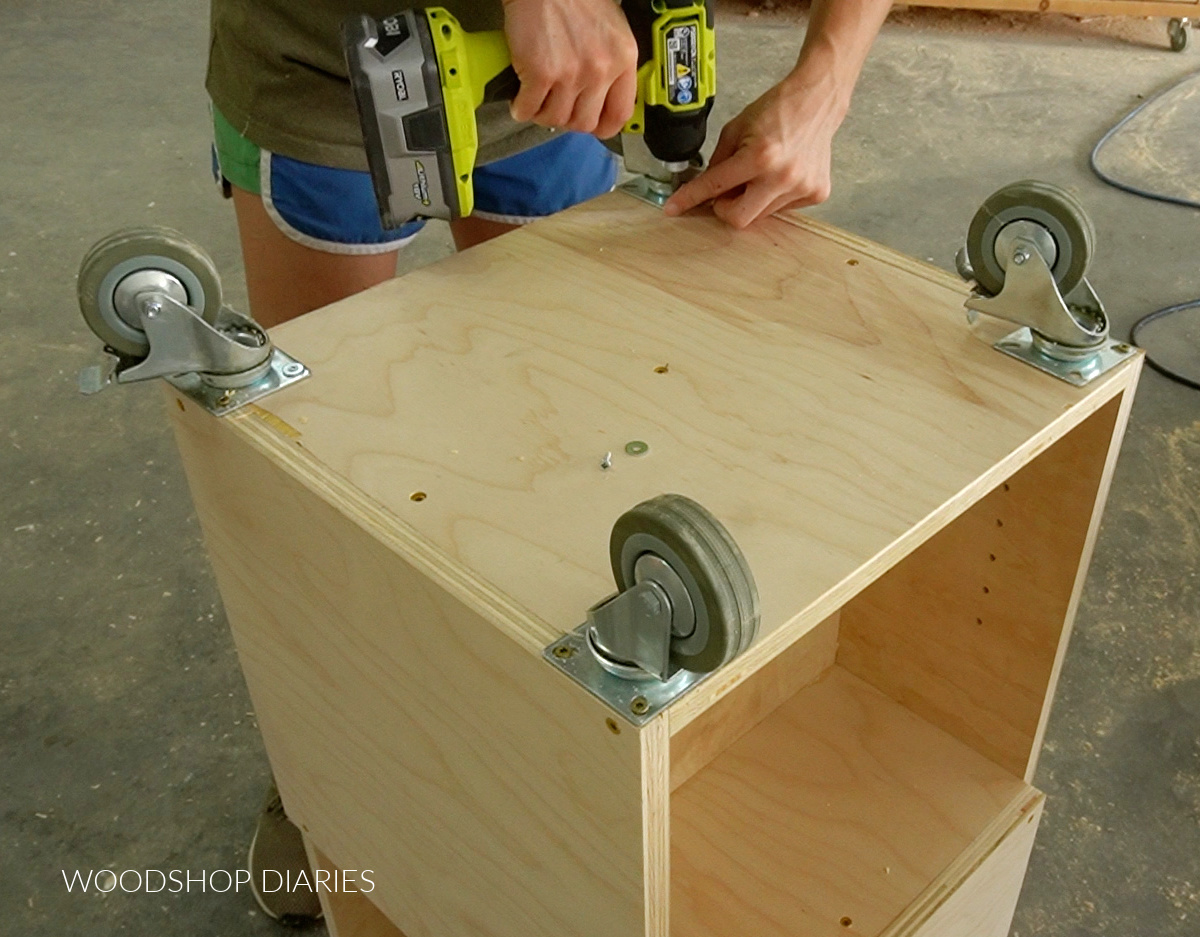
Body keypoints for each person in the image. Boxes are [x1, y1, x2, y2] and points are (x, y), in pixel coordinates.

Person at [207, 0, 890, 922]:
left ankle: (546, 741)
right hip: (342, 64)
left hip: (578, 85)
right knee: (319, 449)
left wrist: (826, 82)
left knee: (571, 431)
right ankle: (322, 776)